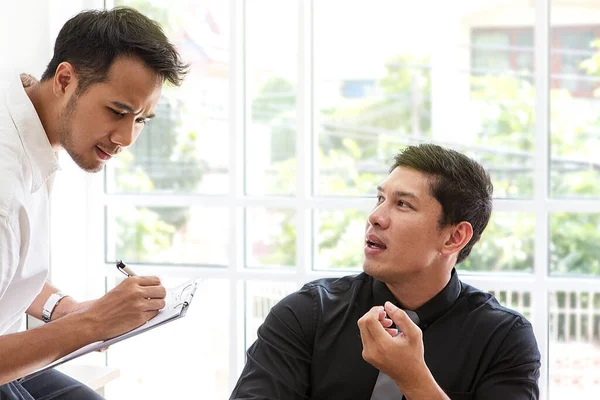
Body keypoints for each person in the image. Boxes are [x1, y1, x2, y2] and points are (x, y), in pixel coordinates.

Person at [230, 144, 541, 399]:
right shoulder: (305, 314)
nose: (375, 217)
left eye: (403, 204)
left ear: (453, 237)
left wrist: (415, 380)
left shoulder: (504, 339)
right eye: (380, 199)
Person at [0, 7, 188, 399]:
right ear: (66, 79)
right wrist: (94, 324)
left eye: (141, 119)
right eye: (117, 111)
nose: (126, 137)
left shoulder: (30, 121)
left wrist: (65, 309)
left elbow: (9, 272)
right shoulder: (6, 183)